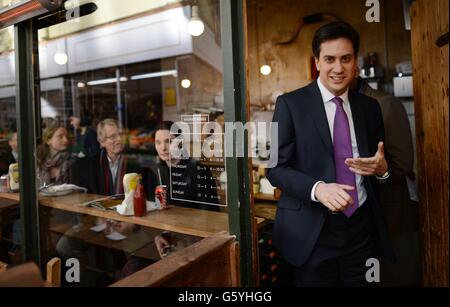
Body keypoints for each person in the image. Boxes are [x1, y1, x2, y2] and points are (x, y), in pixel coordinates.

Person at [266, 21, 395, 287]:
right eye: (330, 59)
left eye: (346, 59)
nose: (338, 68)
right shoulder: (290, 104)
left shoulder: (370, 108)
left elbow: (381, 166)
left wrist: (383, 170)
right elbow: (275, 169)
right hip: (312, 233)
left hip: (361, 232)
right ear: (317, 62)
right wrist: (318, 188)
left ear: (355, 61)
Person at [352, 77, 420, 286]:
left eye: (345, 59)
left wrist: (379, 171)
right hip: (357, 216)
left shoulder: (385, 103)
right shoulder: (343, 104)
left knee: (391, 275)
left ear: (355, 66)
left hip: (388, 210)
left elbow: (403, 163)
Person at [144, 121, 219, 258]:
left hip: (195, 241)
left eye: (169, 141)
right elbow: (154, 212)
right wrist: (156, 236)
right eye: (158, 143)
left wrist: (186, 244)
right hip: (167, 238)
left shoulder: (197, 169)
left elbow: (211, 216)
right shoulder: (156, 171)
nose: (163, 148)